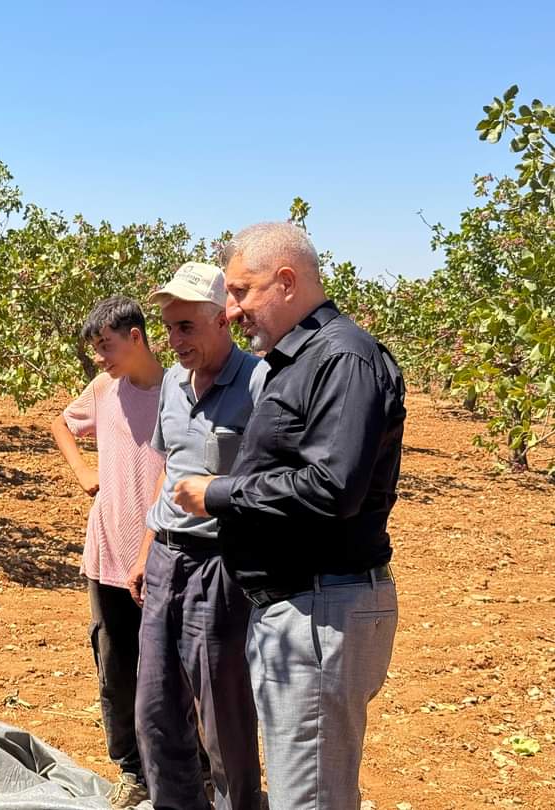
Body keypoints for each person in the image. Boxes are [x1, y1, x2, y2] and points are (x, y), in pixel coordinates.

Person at [173, 222, 406, 810]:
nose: (230, 310)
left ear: (285, 281)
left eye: (241, 291)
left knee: (312, 799)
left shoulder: (343, 359)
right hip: (299, 608)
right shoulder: (297, 361)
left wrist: (221, 494)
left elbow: (333, 487)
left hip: (321, 608)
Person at [127, 261, 263, 810]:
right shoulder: (173, 387)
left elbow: (274, 481)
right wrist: (145, 550)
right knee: (155, 712)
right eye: (169, 328)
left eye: (187, 326)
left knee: (223, 717)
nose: (174, 340)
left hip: (221, 566)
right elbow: (168, 470)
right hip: (166, 560)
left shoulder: (259, 382)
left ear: (223, 319)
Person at [50, 296, 164, 809]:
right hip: (107, 553)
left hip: (162, 554)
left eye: (106, 346)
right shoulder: (103, 389)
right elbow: (61, 424)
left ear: (135, 336)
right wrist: (83, 472)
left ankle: (192, 772)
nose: (100, 358)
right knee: (117, 668)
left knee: (175, 669)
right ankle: (132, 771)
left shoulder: (179, 392)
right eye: (95, 349)